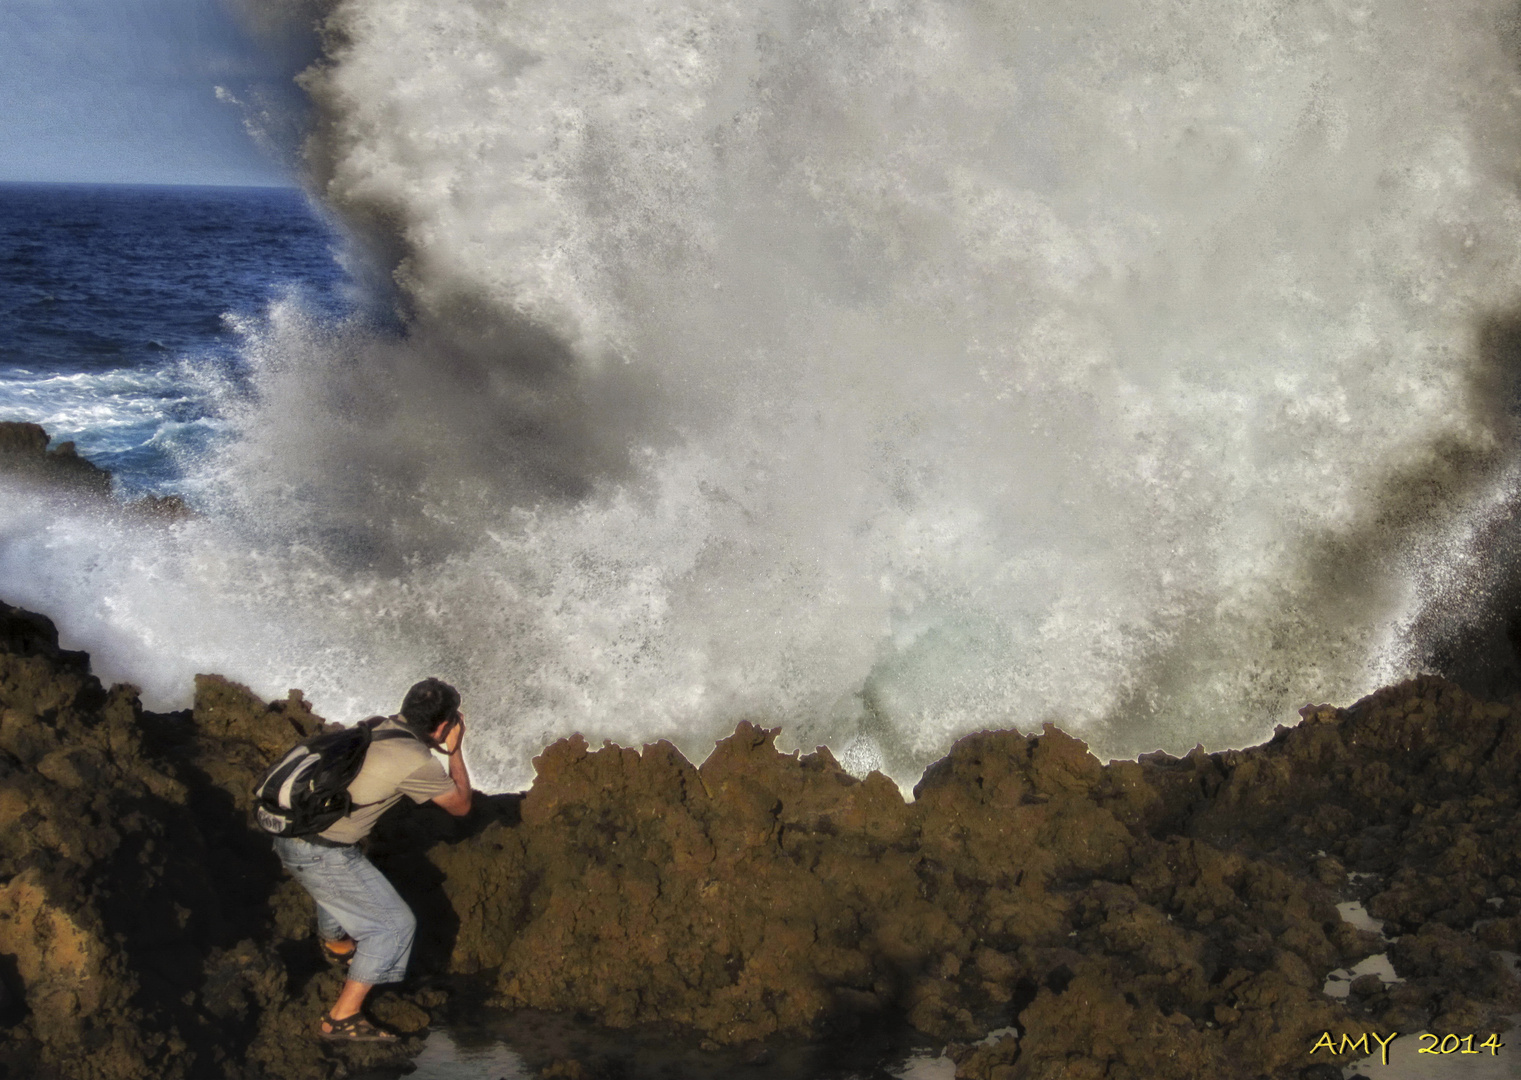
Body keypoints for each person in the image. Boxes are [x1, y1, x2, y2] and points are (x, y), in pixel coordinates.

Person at [271, 677, 473, 1042]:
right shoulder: (416, 759)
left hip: (290, 835)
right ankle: (340, 1019)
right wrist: (455, 751)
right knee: (395, 926)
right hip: (320, 854)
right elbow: (460, 806)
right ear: (443, 726)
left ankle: (336, 946)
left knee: (346, 875)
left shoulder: (376, 724)